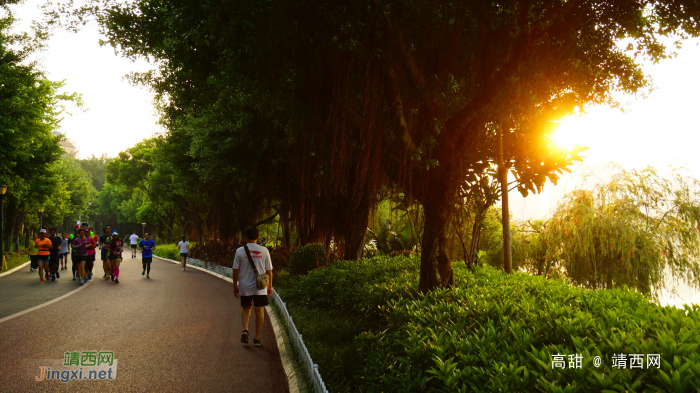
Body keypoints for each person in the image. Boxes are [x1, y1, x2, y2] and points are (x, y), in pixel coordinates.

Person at [232, 226, 273, 347]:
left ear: (245, 237)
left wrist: (235, 286)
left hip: (245, 286)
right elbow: (269, 271)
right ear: (258, 237)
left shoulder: (240, 251)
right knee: (259, 310)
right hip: (260, 287)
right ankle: (257, 338)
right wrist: (270, 286)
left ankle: (245, 329)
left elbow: (235, 270)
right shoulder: (264, 250)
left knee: (246, 308)